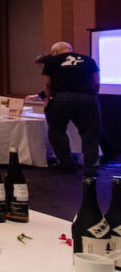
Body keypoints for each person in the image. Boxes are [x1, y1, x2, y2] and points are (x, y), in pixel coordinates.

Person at [42, 42, 101, 176]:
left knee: (57, 131)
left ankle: (66, 164)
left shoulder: (52, 61)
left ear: (55, 51)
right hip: (87, 98)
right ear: (70, 49)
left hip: (61, 98)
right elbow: (96, 81)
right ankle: (90, 168)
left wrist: (47, 99)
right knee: (90, 134)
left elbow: (48, 84)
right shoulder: (88, 60)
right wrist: (93, 96)